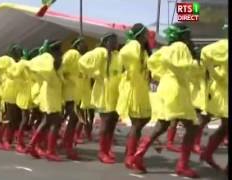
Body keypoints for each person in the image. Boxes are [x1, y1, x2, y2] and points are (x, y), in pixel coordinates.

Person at [129, 23, 199, 178]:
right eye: (187, 34)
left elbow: (152, 62)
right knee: (192, 127)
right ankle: (182, 165)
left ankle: (137, 156)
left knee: (161, 125)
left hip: (166, 87)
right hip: (177, 89)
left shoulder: (165, 49)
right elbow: (186, 67)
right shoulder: (181, 46)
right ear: (182, 35)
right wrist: (196, 64)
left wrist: (163, 74)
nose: (189, 37)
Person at [79, 33, 122, 164]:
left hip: (115, 94)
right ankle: (102, 152)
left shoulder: (116, 55)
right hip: (104, 93)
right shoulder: (100, 52)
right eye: (113, 41)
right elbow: (83, 61)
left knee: (112, 122)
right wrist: (95, 73)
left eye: (116, 40)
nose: (116, 43)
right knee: (105, 122)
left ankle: (108, 149)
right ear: (106, 41)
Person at [116, 23, 152, 169]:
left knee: (144, 119)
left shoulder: (143, 50)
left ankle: (129, 150)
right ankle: (130, 156)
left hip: (141, 88)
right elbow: (124, 53)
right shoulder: (134, 46)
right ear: (139, 35)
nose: (147, 37)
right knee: (137, 123)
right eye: (145, 34)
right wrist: (131, 69)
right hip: (132, 88)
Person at [24, 40, 64, 161]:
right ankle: (50, 151)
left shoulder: (55, 61)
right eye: (57, 50)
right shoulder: (47, 60)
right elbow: (31, 64)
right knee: (54, 122)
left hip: (54, 94)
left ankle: (32, 145)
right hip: (50, 94)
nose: (60, 52)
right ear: (53, 51)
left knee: (47, 121)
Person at [200, 36, 228, 172]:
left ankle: (207, 154)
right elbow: (205, 52)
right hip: (224, 93)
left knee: (225, 128)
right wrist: (214, 73)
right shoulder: (225, 45)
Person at [60, 37, 89, 160]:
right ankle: (67, 146)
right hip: (69, 92)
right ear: (77, 45)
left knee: (71, 119)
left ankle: (65, 143)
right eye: (83, 43)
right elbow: (62, 68)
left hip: (75, 93)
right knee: (73, 119)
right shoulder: (73, 53)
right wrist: (69, 79)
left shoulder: (81, 57)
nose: (86, 46)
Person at [0, 44, 22, 150]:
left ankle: (8, 140)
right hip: (7, 94)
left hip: (16, 95)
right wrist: (0, 77)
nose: (18, 54)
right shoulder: (6, 59)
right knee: (5, 120)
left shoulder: (19, 62)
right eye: (16, 52)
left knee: (13, 120)